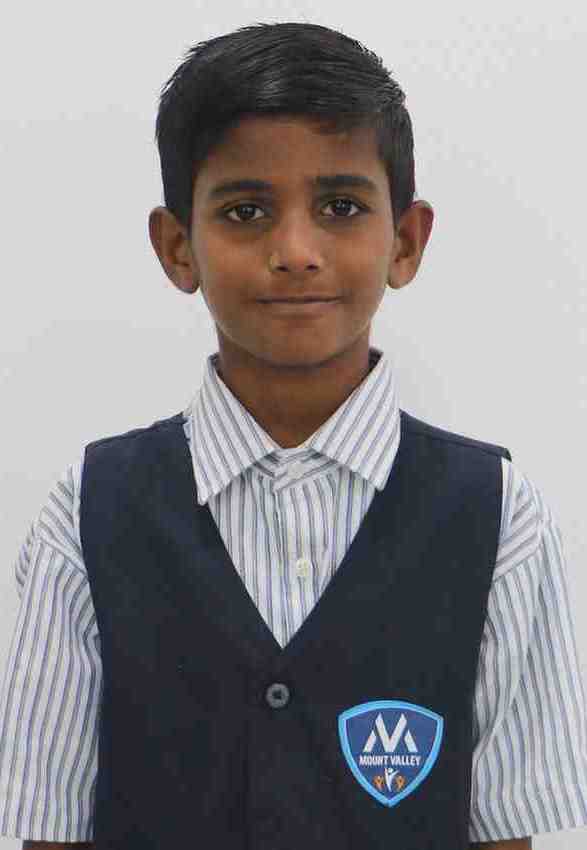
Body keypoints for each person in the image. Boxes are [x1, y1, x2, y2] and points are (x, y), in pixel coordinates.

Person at [0, 20, 586, 850]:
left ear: (405, 241)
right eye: (245, 211)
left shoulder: (498, 516)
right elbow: (51, 827)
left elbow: (505, 831)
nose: (295, 251)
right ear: (177, 248)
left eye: (340, 207)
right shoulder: (86, 514)